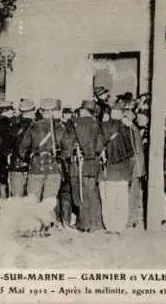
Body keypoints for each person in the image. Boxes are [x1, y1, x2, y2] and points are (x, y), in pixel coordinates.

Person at [61, 100, 106, 233]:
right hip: (92, 164)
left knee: (79, 193)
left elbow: (67, 144)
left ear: (82, 110)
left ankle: (83, 224)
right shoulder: (97, 124)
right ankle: (96, 224)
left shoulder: (73, 123)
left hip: (78, 164)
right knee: (92, 193)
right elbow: (99, 146)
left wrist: (64, 156)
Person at [19, 98, 64, 228]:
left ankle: (34, 226)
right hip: (53, 167)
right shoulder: (59, 127)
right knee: (49, 200)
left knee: (33, 199)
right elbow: (66, 147)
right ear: (53, 111)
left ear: (42, 111)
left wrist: (30, 159)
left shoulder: (33, 126)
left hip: (36, 167)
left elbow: (22, 149)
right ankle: (47, 226)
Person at [98, 101, 135, 234]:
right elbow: (132, 151)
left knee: (108, 199)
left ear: (111, 113)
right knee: (122, 200)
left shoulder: (103, 127)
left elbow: (98, 147)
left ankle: (110, 226)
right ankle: (121, 226)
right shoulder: (127, 128)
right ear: (121, 114)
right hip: (123, 171)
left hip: (108, 170)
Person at [123, 101, 146, 228]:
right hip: (137, 166)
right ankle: (133, 218)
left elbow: (133, 151)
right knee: (134, 193)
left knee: (132, 193)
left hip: (134, 167)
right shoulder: (134, 130)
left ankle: (131, 219)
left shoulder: (132, 131)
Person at [7, 99, 35, 197]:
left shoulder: (13, 127)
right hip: (33, 166)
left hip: (16, 165)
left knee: (17, 198)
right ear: (32, 111)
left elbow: (7, 146)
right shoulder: (37, 126)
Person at [57, 107, 75, 228]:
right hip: (66, 163)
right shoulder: (73, 128)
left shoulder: (58, 127)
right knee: (66, 192)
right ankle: (66, 220)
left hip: (60, 162)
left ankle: (62, 220)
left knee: (61, 192)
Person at [0, 101, 15, 198]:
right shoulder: (7, 123)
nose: (13, 112)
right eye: (12, 110)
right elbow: (7, 140)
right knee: (4, 182)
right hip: (4, 157)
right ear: (7, 111)